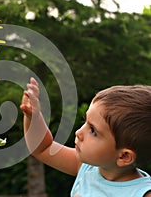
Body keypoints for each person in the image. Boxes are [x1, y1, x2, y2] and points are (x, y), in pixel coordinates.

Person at [20, 77, 151, 197]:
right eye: (85, 122)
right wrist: (34, 117)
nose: (79, 132)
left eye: (93, 131)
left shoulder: (141, 193)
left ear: (124, 156)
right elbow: (44, 148)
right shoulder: (86, 167)